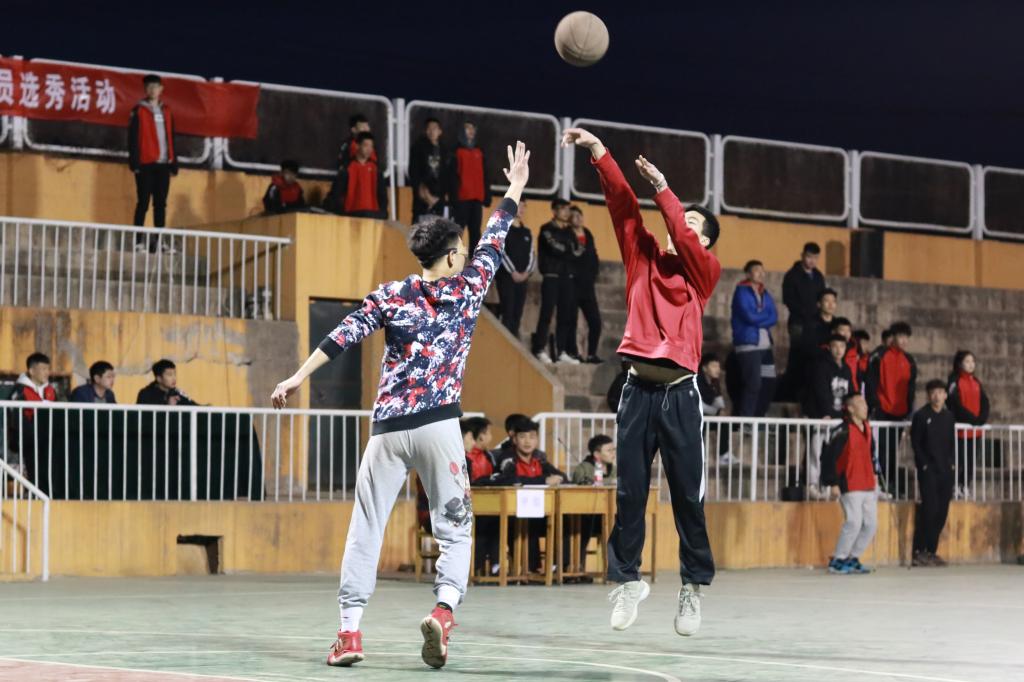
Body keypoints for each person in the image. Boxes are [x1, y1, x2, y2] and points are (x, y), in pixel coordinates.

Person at [270, 141, 530, 670]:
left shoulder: (392, 294)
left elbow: (344, 335)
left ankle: (349, 634)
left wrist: (297, 377)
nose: (467, 254)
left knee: (366, 525)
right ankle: (443, 611)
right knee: (455, 527)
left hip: (387, 430)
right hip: (439, 427)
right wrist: (517, 186)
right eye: (462, 249)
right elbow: (497, 232)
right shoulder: (469, 286)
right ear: (452, 255)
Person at [564, 127, 721, 637]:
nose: (683, 227)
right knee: (630, 494)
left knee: (687, 498)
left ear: (705, 242)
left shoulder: (703, 274)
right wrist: (599, 153)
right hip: (637, 394)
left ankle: (692, 585)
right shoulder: (644, 258)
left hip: (680, 398)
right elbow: (623, 208)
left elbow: (680, 230)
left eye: (693, 225)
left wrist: (665, 191)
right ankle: (627, 581)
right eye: (681, 221)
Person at [495, 418, 565, 573]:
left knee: (562, 520)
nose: (528, 441)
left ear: (537, 439)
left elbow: (561, 476)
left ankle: (560, 567)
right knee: (528, 521)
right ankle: (529, 569)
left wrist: (558, 478)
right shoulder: (507, 458)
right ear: (514, 439)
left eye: (532, 437)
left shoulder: (539, 459)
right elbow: (511, 480)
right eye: (522, 437)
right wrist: (543, 480)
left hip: (538, 509)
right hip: (512, 512)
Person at [820, 393, 879, 575]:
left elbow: (871, 454)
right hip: (850, 483)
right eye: (860, 403)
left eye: (865, 403)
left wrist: (875, 474)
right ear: (851, 409)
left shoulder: (867, 428)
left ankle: (853, 557)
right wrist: (832, 483)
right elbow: (828, 458)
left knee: (871, 524)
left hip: (867, 483)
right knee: (853, 522)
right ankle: (838, 559)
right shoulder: (842, 431)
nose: (865, 406)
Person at [866, 321, 917, 494]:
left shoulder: (909, 360)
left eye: (906, 337)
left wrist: (908, 411)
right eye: (901, 336)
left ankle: (889, 484)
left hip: (899, 413)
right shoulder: (879, 356)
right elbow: (870, 382)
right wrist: (874, 406)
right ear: (893, 337)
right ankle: (878, 484)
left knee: (892, 451)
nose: (904, 341)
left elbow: (911, 388)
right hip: (881, 411)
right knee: (879, 449)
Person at [128, 74, 177, 253]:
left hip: (163, 164)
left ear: (161, 89)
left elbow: (172, 136)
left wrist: (173, 161)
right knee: (143, 203)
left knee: (161, 204)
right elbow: (132, 138)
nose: (152, 90)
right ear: (145, 89)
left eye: (155, 86)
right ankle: (138, 242)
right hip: (145, 163)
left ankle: (159, 242)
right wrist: (135, 162)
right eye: (149, 86)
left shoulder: (167, 111)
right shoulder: (139, 110)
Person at [531, 199, 583, 364]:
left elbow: (578, 251)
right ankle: (539, 349)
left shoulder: (569, 232)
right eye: (563, 209)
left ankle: (561, 352)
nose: (566, 212)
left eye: (568, 209)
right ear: (554, 211)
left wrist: (567, 250)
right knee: (546, 314)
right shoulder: (546, 229)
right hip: (551, 276)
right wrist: (568, 250)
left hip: (566, 277)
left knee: (565, 315)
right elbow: (555, 248)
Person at [911, 380, 956, 567]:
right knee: (929, 510)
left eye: (940, 392)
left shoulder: (949, 417)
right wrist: (924, 466)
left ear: (945, 395)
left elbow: (951, 443)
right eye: (933, 392)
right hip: (929, 471)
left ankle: (931, 551)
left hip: (945, 471)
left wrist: (952, 464)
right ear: (928, 395)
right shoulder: (921, 416)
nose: (937, 396)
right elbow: (916, 443)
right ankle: (919, 551)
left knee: (941, 512)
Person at [805, 335, 854, 499]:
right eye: (835, 346)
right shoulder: (822, 366)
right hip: (824, 418)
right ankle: (812, 485)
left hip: (840, 419)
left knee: (835, 454)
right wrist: (825, 412)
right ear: (829, 347)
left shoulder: (846, 369)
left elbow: (850, 393)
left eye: (842, 346)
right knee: (817, 451)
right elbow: (821, 391)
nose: (839, 350)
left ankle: (832, 486)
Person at [730, 259, 778, 417]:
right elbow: (749, 316)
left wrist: (759, 318)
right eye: (757, 270)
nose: (761, 273)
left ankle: (759, 417)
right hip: (749, 345)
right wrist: (764, 318)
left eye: (762, 270)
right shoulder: (741, 292)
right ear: (748, 273)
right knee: (753, 384)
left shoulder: (765, 292)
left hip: (765, 345)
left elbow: (774, 317)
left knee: (768, 382)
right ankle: (746, 420)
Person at [565, 434, 616, 577]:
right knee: (584, 525)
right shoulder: (583, 468)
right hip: (584, 515)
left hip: (608, 514)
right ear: (597, 454)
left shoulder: (614, 469)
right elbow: (580, 486)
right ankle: (576, 567)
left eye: (613, 450)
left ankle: (618, 567)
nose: (613, 453)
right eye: (609, 450)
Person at [780, 243, 825, 400]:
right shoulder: (792, 276)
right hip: (798, 323)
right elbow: (788, 300)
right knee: (797, 355)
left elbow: (822, 298)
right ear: (802, 256)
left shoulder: (818, 276)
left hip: (815, 323)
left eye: (815, 258)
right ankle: (791, 392)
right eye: (809, 257)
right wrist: (805, 313)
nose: (812, 261)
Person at [946, 350, 990, 499]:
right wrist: (971, 419)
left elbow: (985, 402)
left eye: (973, 361)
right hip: (960, 430)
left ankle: (965, 485)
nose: (971, 364)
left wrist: (981, 419)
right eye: (967, 361)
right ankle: (954, 486)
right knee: (958, 460)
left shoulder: (976, 381)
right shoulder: (954, 381)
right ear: (960, 364)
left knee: (970, 461)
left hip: (975, 431)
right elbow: (954, 404)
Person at [461, 417, 502, 574]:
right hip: (469, 506)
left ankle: (495, 565)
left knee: (496, 520)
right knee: (483, 523)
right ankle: (476, 566)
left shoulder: (489, 456)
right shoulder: (465, 457)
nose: (491, 437)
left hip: (489, 503)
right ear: (480, 436)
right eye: (488, 433)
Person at [495, 198, 534, 338]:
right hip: (506, 278)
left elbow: (532, 255)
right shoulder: (502, 229)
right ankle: (503, 345)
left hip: (522, 279)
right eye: (519, 206)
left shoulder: (527, 232)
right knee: (508, 311)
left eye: (524, 206)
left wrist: (527, 273)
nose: (522, 209)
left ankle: (513, 342)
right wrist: (513, 272)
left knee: (518, 313)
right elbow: (501, 252)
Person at [568, 205, 603, 363]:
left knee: (595, 321)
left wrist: (593, 273)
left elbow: (594, 255)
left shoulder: (588, 234)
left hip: (587, 286)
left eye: (579, 215)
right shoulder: (567, 234)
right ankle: (573, 353)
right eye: (574, 216)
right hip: (572, 285)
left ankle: (591, 354)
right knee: (571, 320)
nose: (578, 218)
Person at [326, 132, 388, 218]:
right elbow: (336, 193)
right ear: (357, 146)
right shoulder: (347, 168)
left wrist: (382, 212)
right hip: (351, 215)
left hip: (373, 216)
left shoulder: (376, 170)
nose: (369, 149)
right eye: (366, 145)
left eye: (371, 146)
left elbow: (382, 195)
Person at [452, 121, 492, 251]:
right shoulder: (456, 151)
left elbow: (485, 174)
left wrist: (487, 195)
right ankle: (452, 259)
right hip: (462, 198)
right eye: (467, 128)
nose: (471, 131)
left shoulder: (480, 151)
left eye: (472, 128)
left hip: (477, 199)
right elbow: (452, 176)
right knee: (457, 232)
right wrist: (453, 197)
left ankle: (474, 260)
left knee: (476, 232)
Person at [409, 118, 451, 223]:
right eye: (429, 128)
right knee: (420, 229)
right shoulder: (418, 147)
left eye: (434, 128)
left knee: (437, 229)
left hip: (439, 198)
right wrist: (424, 193)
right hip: (422, 198)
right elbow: (414, 172)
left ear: (440, 131)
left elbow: (447, 174)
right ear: (425, 131)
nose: (432, 131)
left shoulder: (444, 150)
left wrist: (445, 194)